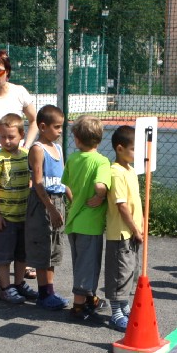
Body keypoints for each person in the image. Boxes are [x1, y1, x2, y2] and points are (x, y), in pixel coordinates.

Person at [62, 115, 112, 323]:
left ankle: (89, 298)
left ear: (77, 139)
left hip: (74, 220)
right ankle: (78, 306)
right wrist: (100, 196)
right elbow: (101, 185)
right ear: (98, 139)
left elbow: (66, 185)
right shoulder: (102, 161)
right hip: (90, 223)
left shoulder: (73, 159)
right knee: (88, 264)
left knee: (80, 262)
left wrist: (76, 200)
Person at [0, 113, 39, 304]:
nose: (7, 141)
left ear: (22, 135)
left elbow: (32, 180)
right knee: (3, 256)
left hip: (24, 216)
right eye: (3, 137)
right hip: (6, 218)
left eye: (11, 137)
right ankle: (5, 288)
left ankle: (18, 284)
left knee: (22, 254)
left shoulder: (26, 156)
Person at [25, 105, 70, 310]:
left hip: (58, 201)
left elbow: (64, 179)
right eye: (57, 127)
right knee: (43, 248)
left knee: (54, 248)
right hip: (43, 203)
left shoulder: (58, 148)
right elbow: (38, 182)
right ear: (43, 127)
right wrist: (50, 208)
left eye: (61, 127)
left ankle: (50, 291)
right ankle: (43, 294)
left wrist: (72, 199)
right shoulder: (37, 149)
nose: (60, 131)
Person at [104, 125, 144, 331]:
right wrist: (135, 229)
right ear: (120, 149)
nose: (137, 153)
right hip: (121, 233)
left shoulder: (130, 170)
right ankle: (115, 313)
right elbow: (122, 205)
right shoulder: (116, 172)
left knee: (130, 271)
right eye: (133, 149)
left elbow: (135, 200)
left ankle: (124, 306)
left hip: (132, 232)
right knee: (119, 273)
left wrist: (141, 225)